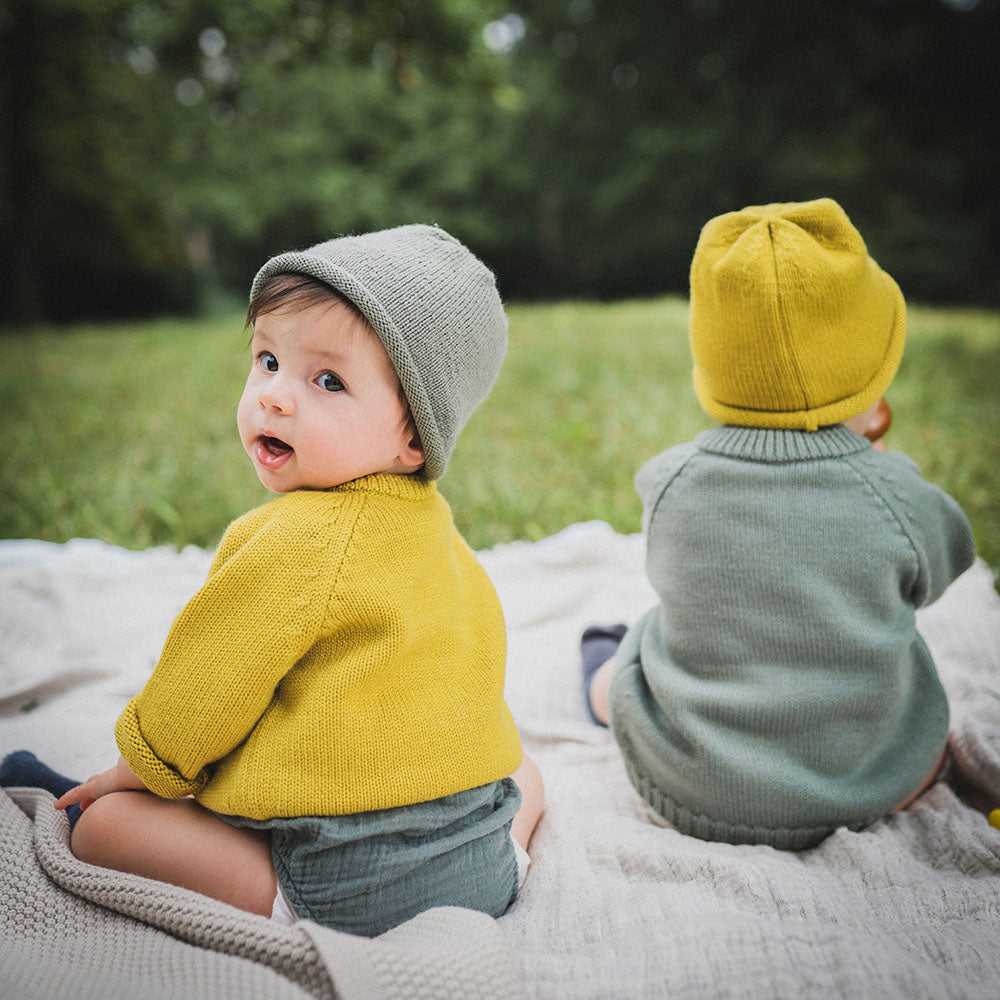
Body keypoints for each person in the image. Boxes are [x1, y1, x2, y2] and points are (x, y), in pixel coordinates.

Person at [2, 224, 543, 935]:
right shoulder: (446, 543)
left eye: (327, 381)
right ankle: (503, 845)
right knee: (525, 773)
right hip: (482, 864)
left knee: (106, 827)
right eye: (266, 360)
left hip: (344, 882)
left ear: (416, 437)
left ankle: (276, 896)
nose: (276, 398)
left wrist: (136, 772)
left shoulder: (292, 543)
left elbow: (199, 696)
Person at [580, 199, 974, 851]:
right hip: (869, 783)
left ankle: (594, 667)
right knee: (922, 716)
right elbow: (947, 561)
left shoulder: (670, 481)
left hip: (694, 785)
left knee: (628, 665)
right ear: (871, 378)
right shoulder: (896, 495)